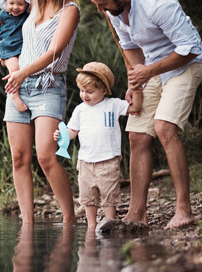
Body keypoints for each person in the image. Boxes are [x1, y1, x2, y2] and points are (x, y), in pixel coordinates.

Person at [84, 0, 202, 229]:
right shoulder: (114, 11)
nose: (100, 10)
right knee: (137, 135)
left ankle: (183, 210)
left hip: (184, 66)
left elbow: (190, 49)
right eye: (96, 4)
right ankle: (137, 214)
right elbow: (130, 48)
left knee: (163, 128)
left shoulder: (157, 3)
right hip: (151, 69)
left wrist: (148, 70)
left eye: (103, 3)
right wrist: (135, 80)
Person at [1, 0, 81, 225]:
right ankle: (27, 224)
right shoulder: (32, 2)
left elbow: (55, 53)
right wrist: (14, 70)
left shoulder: (70, 11)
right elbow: (8, 36)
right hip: (19, 86)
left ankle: (70, 220)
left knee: (47, 156)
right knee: (19, 157)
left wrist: (22, 73)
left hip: (49, 86)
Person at [54, 62, 140, 232]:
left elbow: (135, 107)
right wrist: (61, 135)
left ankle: (110, 222)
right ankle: (91, 226)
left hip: (108, 160)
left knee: (109, 195)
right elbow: (72, 131)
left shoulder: (113, 104)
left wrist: (137, 90)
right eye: (82, 90)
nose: (85, 95)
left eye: (90, 92)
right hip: (85, 161)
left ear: (104, 90)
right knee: (88, 197)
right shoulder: (80, 110)